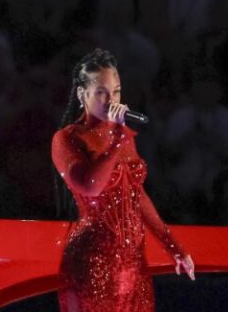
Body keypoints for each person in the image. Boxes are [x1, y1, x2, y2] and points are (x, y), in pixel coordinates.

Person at [52, 48, 195, 311]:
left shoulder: (122, 136)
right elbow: (91, 187)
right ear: (83, 95)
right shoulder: (67, 139)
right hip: (93, 262)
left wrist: (173, 246)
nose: (112, 100)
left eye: (116, 91)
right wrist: (117, 138)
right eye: (102, 92)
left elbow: (136, 195)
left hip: (134, 263)